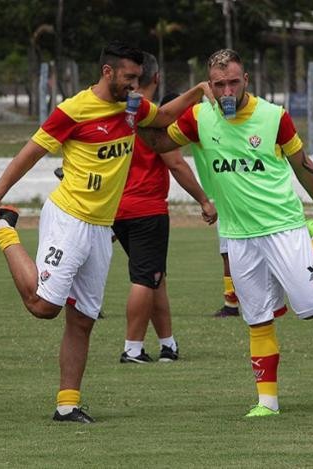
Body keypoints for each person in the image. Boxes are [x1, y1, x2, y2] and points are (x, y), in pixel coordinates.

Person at [0, 41, 215, 424]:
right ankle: (5, 227)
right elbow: (28, 155)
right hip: (69, 218)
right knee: (43, 306)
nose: (135, 85)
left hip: (100, 228)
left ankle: (67, 405)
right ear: (108, 72)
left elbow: (161, 117)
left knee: (82, 319)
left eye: (139, 79)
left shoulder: (132, 107)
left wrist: (197, 92)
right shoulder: (74, 109)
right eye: (129, 77)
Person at [139, 49, 313, 417]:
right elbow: (159, 142)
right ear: (209, 85)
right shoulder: (200, 117)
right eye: (218, 85)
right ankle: (267, 403)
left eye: (233, 82)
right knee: (257, 318)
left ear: (246, 80)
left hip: (284, 227)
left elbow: (302, 165)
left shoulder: (273, 117)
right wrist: (135, 114)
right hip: (238, 235)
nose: (226, 91)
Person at [112, 53, 216, 364]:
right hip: (146, 208)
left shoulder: (117, 110)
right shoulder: (151, 117)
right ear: (156, 78)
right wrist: (204, 199)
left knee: (155, 276)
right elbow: (175, 163)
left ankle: (168, 344)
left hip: (118, 209)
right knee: (145, 279)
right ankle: (132, 348)